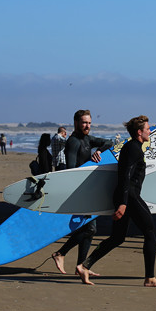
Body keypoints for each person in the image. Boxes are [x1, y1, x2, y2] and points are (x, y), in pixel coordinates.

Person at [76, 115, 156, 288]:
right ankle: (150, 278)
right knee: (150, 232)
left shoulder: (134, 147)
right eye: (148, 129)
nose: (150, 131)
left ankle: (84, 266)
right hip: (130, 197)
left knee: (118, 237)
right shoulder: (133, 148)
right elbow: (124, 176)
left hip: (126, 196)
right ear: (139, 132)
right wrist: (123, 202)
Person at [51, 110, 114, 275]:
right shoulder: (73, 142)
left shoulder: (87, 139)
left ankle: (82, 266)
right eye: (84, 122)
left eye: (89, 123)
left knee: (87, 230)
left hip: (86, 189)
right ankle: (61, 253)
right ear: (76, 123)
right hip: (79, 191)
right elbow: (71, 170)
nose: (87, 126)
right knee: (90, 229)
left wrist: (98, 151)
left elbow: (109, 142)